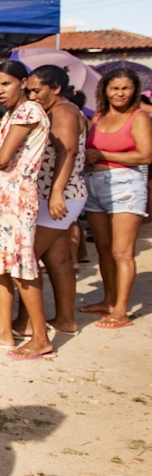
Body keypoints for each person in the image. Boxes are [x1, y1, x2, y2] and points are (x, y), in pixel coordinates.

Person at [0, 61, 53, 359]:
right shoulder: (9, 116)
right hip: (2, 197)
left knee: (21, 267)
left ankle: (40, 337)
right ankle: (4, 330)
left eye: (6, 83)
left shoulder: (30, 110)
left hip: (18, 198)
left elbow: (1, 159)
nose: (0, 90)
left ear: (23, 82)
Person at [13, 65, 87, 337]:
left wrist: (56, 193)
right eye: (28, 90)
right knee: (58, 260)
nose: (31, 96)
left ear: (55, 88)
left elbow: (67, 152)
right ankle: (65, 319)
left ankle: (29, 323)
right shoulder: (56, 110)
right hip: (58, 195)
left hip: (58, 196)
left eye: (36, 90)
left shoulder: (64, 112)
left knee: (27, 259)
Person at [79, 67, 152, 329]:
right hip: (95, 186)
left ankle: (121, 311)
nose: (120, 93)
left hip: (125, 185)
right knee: (103, 249)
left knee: (122, 252)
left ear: (134, 91)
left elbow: (145, 155)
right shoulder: (98, 117)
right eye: (114, 88)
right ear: (105, 91)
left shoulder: (138, 117)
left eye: (125, 88)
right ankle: (109, 300)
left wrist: (104, 156)